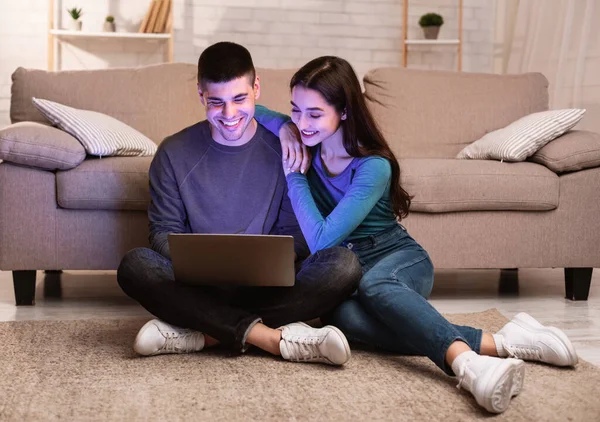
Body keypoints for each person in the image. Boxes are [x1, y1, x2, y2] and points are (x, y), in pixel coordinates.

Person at [254, 56, 579, 413]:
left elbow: (321, 240)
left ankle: (468, 365)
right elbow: (254, 110)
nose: (302, 123)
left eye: (314, 114)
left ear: (344, 111)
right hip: (351, 270)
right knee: (340, 319)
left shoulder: (372, 166)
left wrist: (294, 174)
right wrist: (284, 128)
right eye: (295, 110)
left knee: (377, 286)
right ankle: (503, 342)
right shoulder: (302, 135)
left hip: (399, 258)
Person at [116, 43, 364, 366]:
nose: (229, 115)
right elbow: (163, 233)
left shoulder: (289, 151)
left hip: (267, 289)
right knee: (135, 266)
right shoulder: (172, 153)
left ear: (256, 88)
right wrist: (206, 264)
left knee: (344, 265)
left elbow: (296, 235)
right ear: (201, 95)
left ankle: (203, 332)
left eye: (239, 99)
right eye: (216, 102)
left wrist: (263, 264)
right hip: (197, 287)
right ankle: (272, 338)